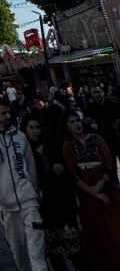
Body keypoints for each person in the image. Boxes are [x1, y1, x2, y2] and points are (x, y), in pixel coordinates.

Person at [0, 97, 47, 271]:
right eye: (3, 112)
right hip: (6, 205)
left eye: (9, 112)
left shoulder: (20, 137)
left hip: (29, 200)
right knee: (18, 250)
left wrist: (36, 192)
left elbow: (30, 166)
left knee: (36, 248)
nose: (8, 115)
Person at [20, 113, 85, 271]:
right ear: (25, 130)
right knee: (54, 250)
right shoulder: (24, 152)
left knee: (75, 247)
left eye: (38, 127)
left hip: (63, 200)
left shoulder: (50, 145)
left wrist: (60, 168)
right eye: (32, 128)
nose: (36, 131)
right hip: (45, 204)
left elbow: (66, 167)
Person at [62, 108, 120, 270]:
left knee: (114, 233)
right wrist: (91, 191)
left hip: (106, 189)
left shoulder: (96, 139)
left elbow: (109, 163)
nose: (76, 124)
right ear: (67, 126)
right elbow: (72, 173)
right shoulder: (68, 146)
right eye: (72, 122)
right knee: (96, 235)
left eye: (77, 120)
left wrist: (99, 187)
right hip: (86, 195)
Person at [86, 82, 120, 159]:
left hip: (115, 134)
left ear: (102, 92)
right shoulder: (91, 107)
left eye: (98, 92)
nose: (96, 94)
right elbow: (87, 122)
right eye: (93, 93)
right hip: (102, 136)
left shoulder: (112, 105)